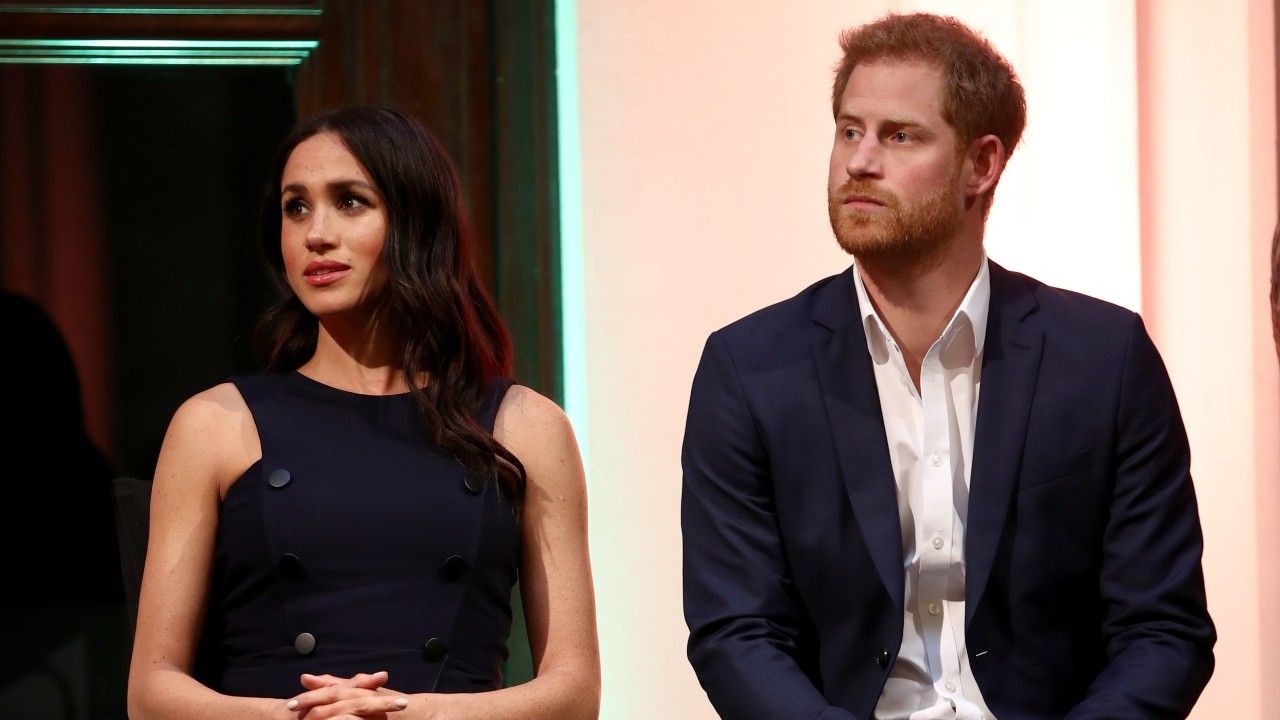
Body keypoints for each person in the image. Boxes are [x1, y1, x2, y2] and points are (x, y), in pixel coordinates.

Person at [681, 12, 1214, 720]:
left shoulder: (1104, 360)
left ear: (982, 164)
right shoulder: (748, 370)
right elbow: (736, 633)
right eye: (848, 130)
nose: (859, 161)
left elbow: (1164, 632)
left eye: (899, 135)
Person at [128, 106, 600, 719]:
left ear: (415, 220)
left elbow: (574, 692)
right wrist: (292, 717)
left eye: (350, 202)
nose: (316, 233)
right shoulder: (215, 423)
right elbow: (151, 691)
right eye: (295, 207)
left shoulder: (525, 426)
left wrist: (416, 713)